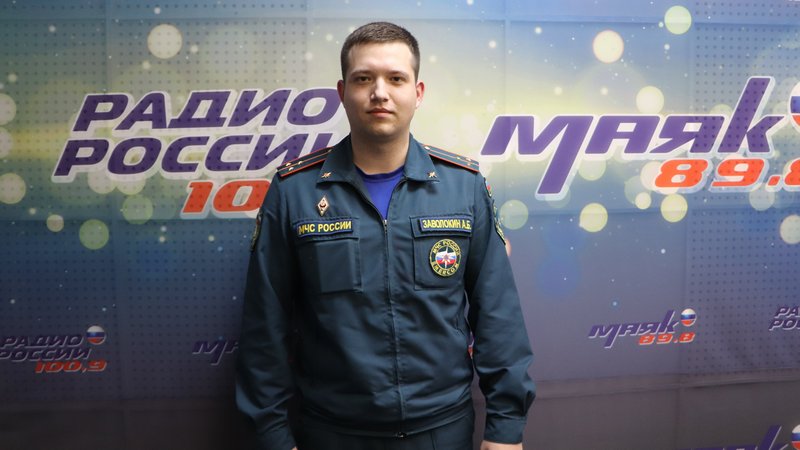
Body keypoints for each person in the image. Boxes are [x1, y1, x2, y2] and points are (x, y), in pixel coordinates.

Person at [236, 21, 535, 450]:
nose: (380, 92)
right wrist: (273, 437)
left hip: (441, 430)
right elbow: (263, 327)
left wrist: (505, 428)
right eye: (364, 79)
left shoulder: (463, 187)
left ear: (418, 92)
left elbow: (498, 315)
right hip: (333, 433)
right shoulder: (294, 192)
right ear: (342, 93)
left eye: (396, 78)